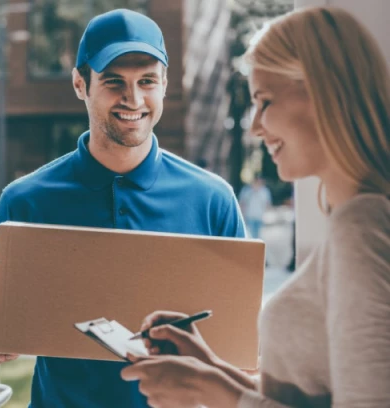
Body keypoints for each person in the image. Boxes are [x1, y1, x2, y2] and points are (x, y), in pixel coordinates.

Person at [0, 8, 246, 408]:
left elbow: (244, 351)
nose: (134, 99)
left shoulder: (213, 200)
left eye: (147, 81)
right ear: (80, 84)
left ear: (164, 84)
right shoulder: (25, 200)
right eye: (114, 82)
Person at [121, 6, 390, 408]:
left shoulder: (362, 226)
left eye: (264, 101)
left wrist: (210, 391)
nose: (254, 126)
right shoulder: (354, 223)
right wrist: (208, 365)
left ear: (324, 91)